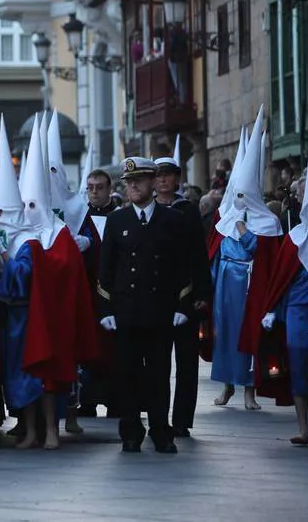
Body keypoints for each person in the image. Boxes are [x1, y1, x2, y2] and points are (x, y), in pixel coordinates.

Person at [0, 120, 96, 450]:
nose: (29, 211)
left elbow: (66, 273)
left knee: (49, 378)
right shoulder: (20, 237)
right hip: (22, 318)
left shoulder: (58, 233)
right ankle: (29, 427)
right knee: (24, 375)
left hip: (52, 319)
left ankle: (52, 428)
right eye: (25, 206)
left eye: (34, 205)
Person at [97, 157, 194, 455]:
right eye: (129, 182)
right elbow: (106, 270)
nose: (133, 186)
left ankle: (160, 430)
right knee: (125, 375)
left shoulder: (172, 220)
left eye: (139, 180)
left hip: (159, 311)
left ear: (153, 182)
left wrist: (183, 306)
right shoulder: (117, 221)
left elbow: (184, 268)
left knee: (158, 375)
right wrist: (106, 310)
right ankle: (130, 431)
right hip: (126, 312)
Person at [241, 103, 308, 445]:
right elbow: (279, 279)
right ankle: (303, 427)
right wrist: (272, 310)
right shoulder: (294, 237)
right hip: (294, 315)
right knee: (297, 368)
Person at [205, 114, 282, 411]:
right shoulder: (224, 220)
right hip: (225, 286)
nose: (237, 199)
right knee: (223, 335)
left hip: (250, 288)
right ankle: (226, 387)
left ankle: (250, 390)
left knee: (248, 336)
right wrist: (209, 285)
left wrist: (245, 232)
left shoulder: (268, 221)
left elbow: (262, 256)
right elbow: (215, 253)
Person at [152, 155, 212, 437]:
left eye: (168, 174)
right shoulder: (147, 209)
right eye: (159, 174)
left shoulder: (188, 210)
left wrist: (202, 292)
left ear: (177, 178)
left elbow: (199, 255)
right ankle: (157, 418)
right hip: (156, 296)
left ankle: (182, 419)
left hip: (186, 294)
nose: (163, 179)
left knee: (186, 363)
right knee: (157, 363)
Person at [74, 168, 120, 417]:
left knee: (114, 350)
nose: (94, 192)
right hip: (89, 294)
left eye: (99, 187)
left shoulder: (120, 216)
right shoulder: (80, 218)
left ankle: (116, 400)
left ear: (109, 189)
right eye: (90, 187)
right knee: (90, 346)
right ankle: (88, 401)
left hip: (114, 295)